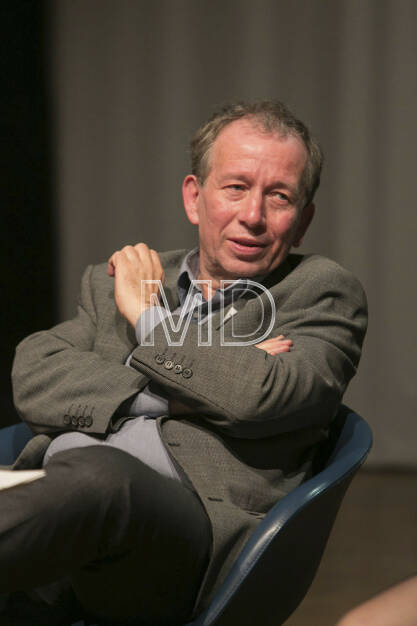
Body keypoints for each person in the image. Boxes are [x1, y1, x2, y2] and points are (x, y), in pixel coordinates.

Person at [4, 101, 367, 625]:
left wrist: (148, 318)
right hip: (55, 521)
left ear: (304, 218)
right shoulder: (127, 275)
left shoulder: (320, 292)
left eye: (279, 196)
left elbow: (262, 395)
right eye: (236, 187)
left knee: (103, 478)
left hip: (182, 537)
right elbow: (35, 371)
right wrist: (170, 392)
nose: (253, 216)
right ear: (195, 198)